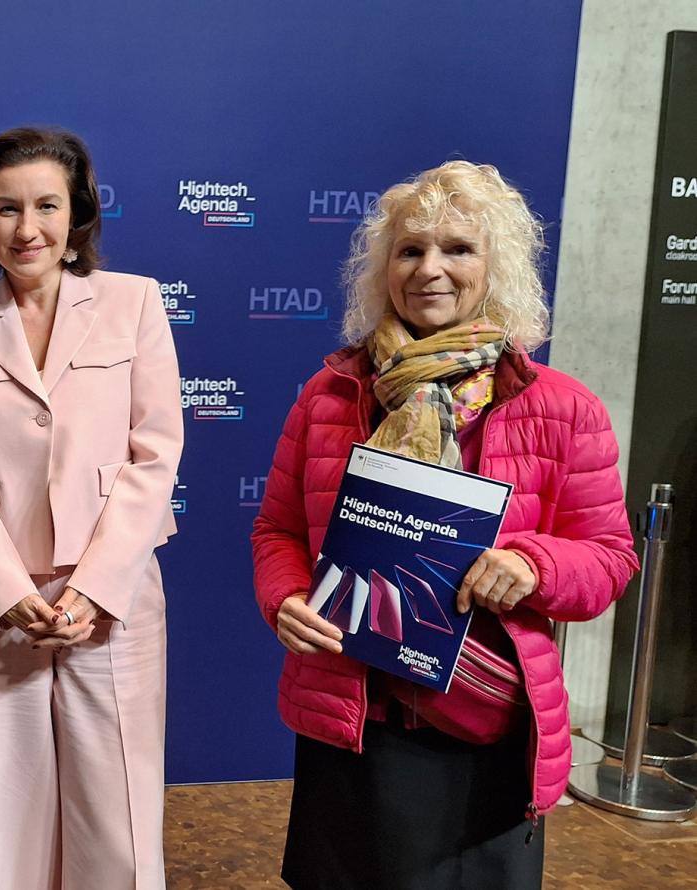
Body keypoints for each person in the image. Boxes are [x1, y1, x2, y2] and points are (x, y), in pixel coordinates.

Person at [251, 160, 640, 889]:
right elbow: (276, 529)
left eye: (458, 248)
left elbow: (611, 559)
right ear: (384, 269)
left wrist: (535, 564)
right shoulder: (330, 394)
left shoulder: (563, 407)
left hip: (482, 730)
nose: (431, 269)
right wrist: (287, 598)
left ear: (496, 266)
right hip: (352, 717)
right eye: (410, 250)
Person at [0, 127, 182, 890]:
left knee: (118, 816)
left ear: (77, 215)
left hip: (115, 596)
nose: (26, 228)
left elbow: (155, 454)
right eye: (6, 209)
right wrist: (9, 593)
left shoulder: (135, 303)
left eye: (45, 206)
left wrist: (95, 588)